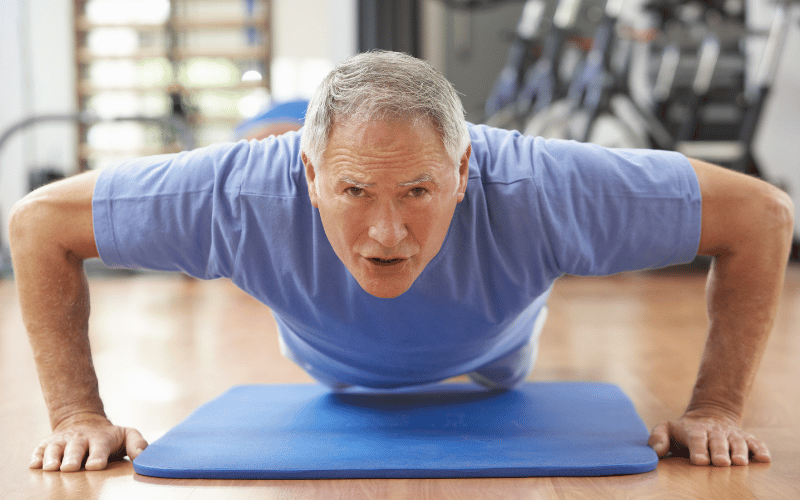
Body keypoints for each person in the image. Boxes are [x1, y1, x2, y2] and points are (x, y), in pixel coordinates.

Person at [8, 51, 793, 473]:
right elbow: (41, 225)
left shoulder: (544, 185)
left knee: (505, 353)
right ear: (309, 176)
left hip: (498, 351)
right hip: (328, 360)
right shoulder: (236, 194)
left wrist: (716, 407)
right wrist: (78, 416)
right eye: (354, 189)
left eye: (419, 189)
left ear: (465, 168)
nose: (387, 233)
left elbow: (761, 215)